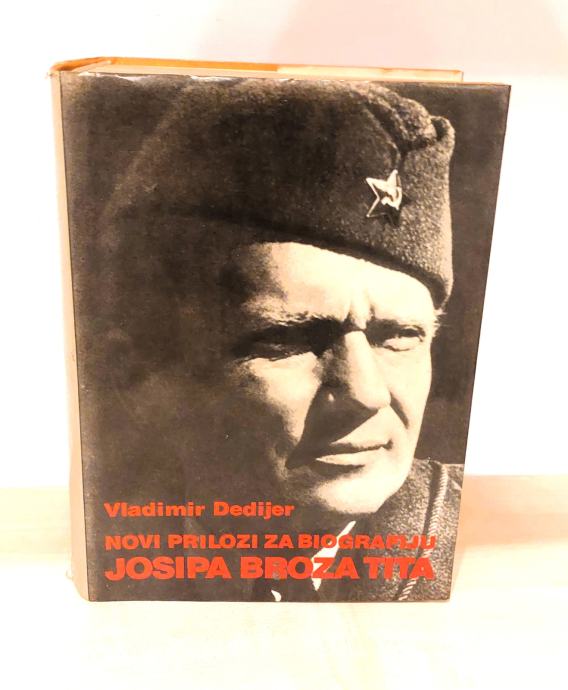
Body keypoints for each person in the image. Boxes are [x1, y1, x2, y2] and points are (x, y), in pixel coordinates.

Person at [98, 78, 463, 602]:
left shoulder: (491, 564)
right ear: (137, 377)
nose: (366, 394)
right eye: (288, 339)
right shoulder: (89, 555)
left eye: (399, 337)